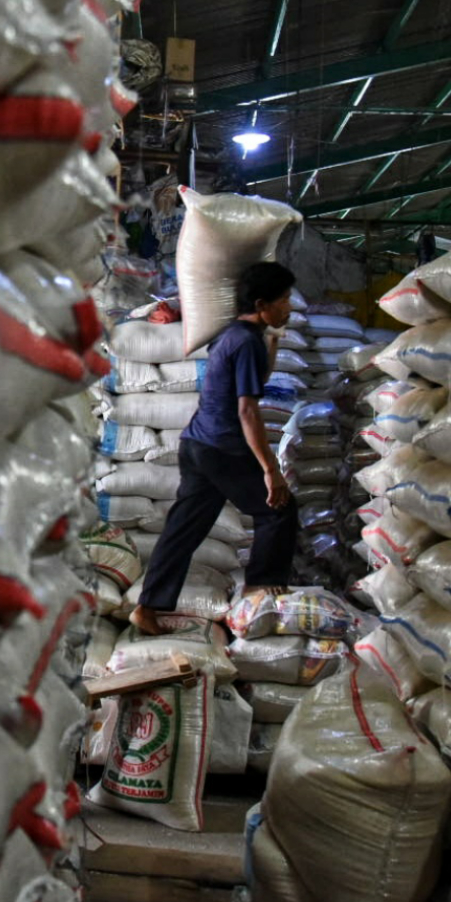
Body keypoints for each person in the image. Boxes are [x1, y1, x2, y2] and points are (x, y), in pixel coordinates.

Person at [128, 262, 299, 636]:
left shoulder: (232, 335)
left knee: (183, 530)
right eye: (284, 299)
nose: (289, 307)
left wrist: (272, 344)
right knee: (279, 509)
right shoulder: (246, 342)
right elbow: (247, 410)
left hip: (197, 444)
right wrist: (271, 470)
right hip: (224, 448)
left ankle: (146, 607)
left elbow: (253, 383)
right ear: (261, 304)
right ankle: (258, 590)